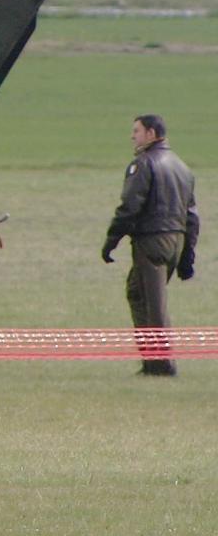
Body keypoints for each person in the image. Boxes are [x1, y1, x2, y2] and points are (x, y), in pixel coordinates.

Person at [103, 114, 198, 376]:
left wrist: (112, 240)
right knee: (136, 291)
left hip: (152, 241)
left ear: (152, 133)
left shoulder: (144, 164)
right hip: (175, 241)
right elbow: (192, 217)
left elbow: (129, 207)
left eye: (137, 130)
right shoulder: (182, 167)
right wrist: (187, 257)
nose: (132, 135)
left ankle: (161, 364)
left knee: (153, 302)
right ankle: (152, 360)